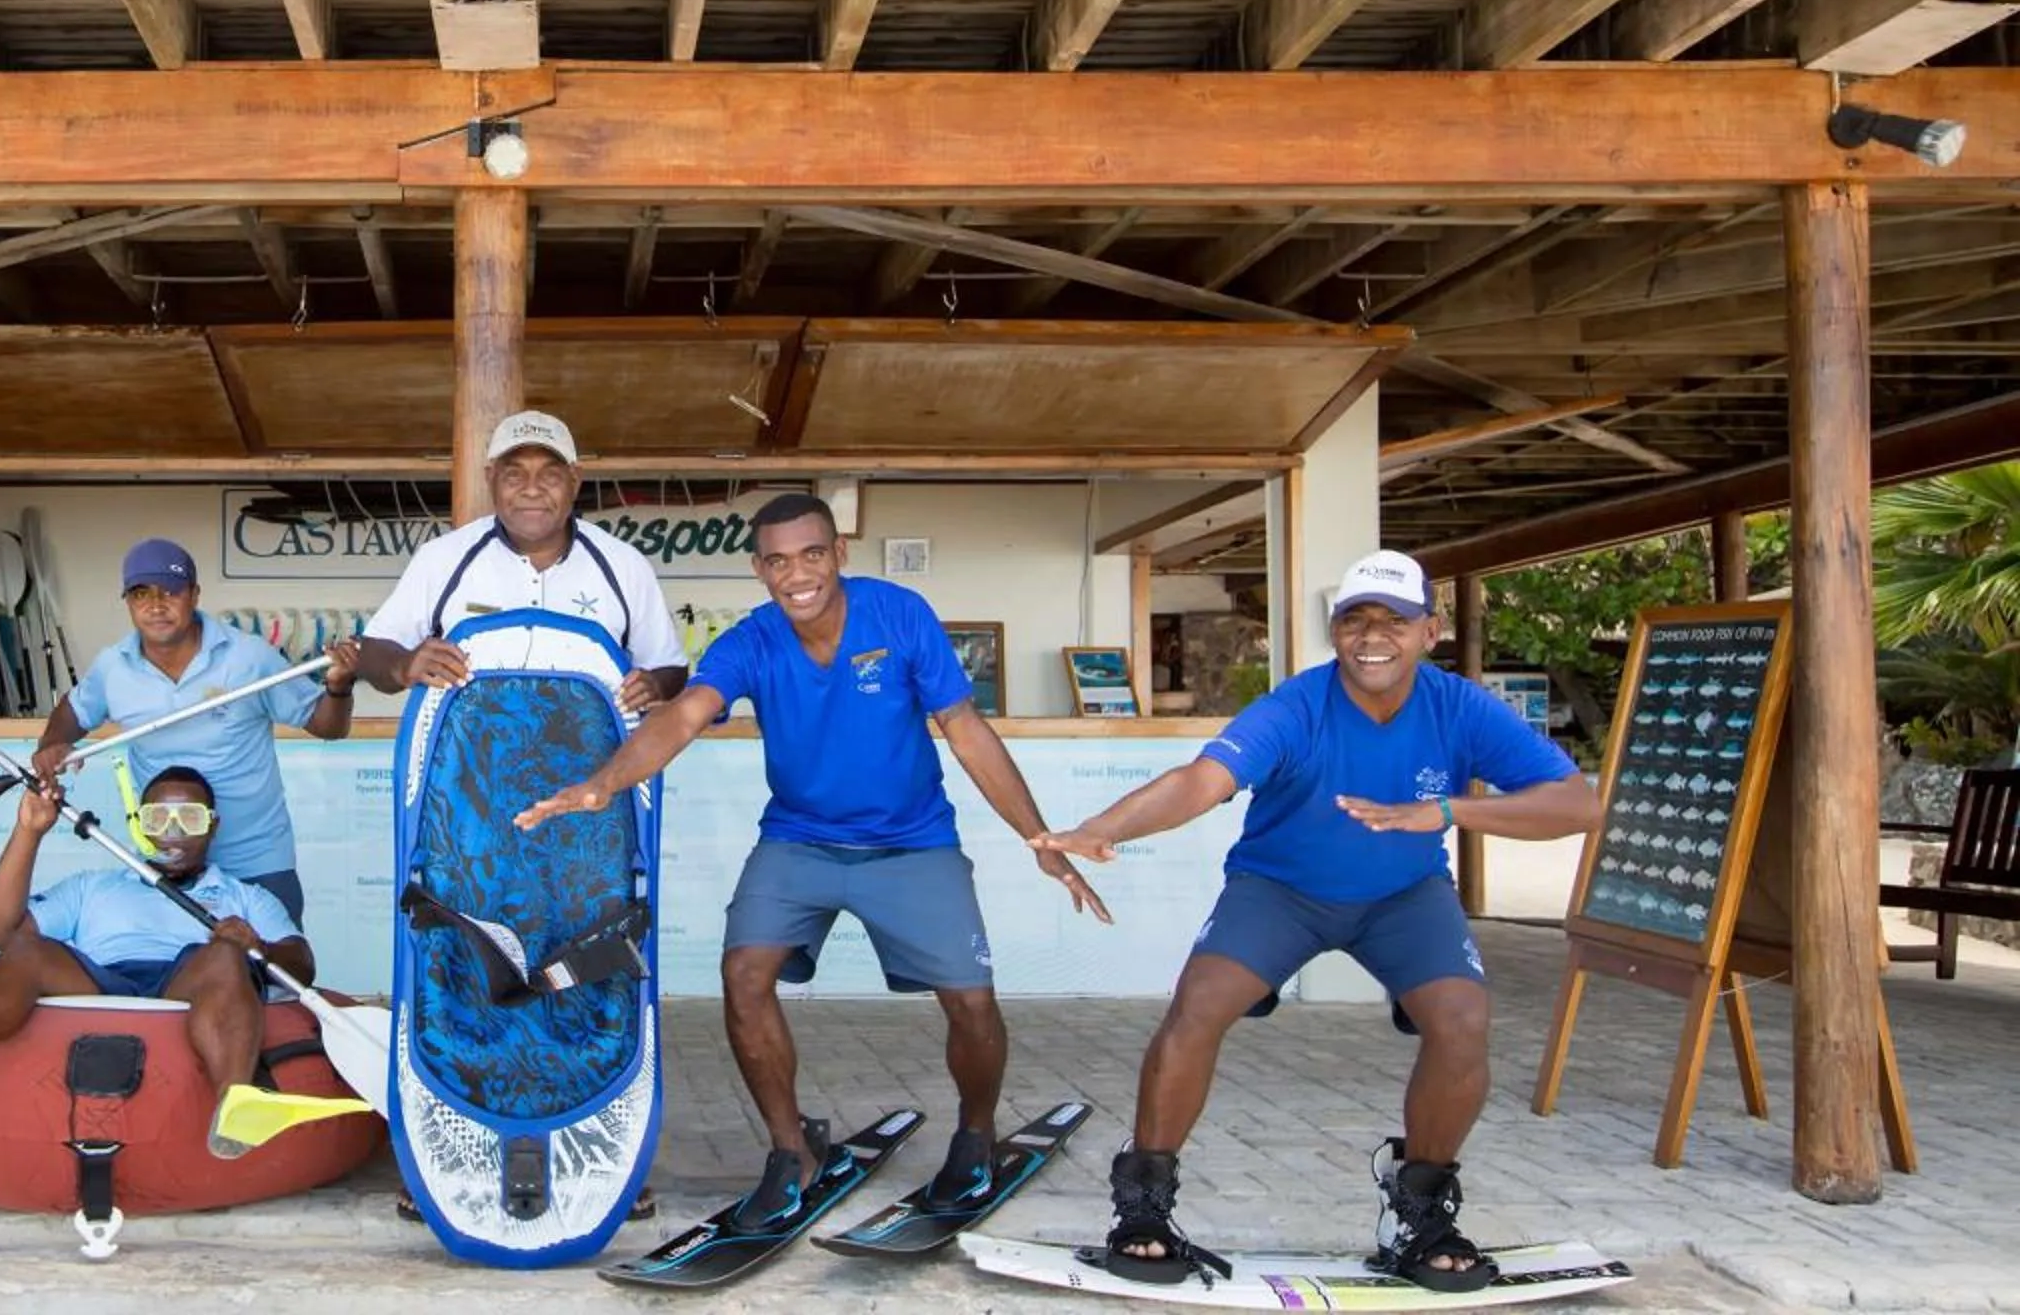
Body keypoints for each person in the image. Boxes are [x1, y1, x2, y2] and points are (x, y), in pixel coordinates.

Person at [516, 492, 1109, 1230]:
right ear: (759, 569)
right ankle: (790, 1148)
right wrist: (605, 782)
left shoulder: (898, 615)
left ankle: (977, 1133)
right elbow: (686, 714)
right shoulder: (751, 641)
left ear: (839, 555)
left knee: (971, 1000)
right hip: (799, 839)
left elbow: (965, 729)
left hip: (911, 842)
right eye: (778, 561)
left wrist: (1037, 837)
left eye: (812, 555)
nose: (796, 575)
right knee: (744, 975)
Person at [1026, 549, 1600, 1293]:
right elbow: (1202, 781)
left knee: (1462, 1020)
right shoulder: (1298, 705)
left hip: (1404, 895)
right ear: (1335, 632)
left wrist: (1445, 811)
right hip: (1280, 891)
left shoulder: (1460, 707)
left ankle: (1422, 1214)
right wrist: (1101, 828)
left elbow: (1576, 805)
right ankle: (1144, 1206)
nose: (1373, 636)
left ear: (1429, 632)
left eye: (1394, 621)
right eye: (1355, 620)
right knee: (1198, 1008)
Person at [0, 764, 313, 1140]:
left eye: (189, 818)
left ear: (212, 825)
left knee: (223, 955)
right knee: (26, 948)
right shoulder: (93, 887)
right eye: (157, 818)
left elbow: (302, 967)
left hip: (191, 983)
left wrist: (258, 946)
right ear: (138, 824)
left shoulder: (246, 897)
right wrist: (29, 831)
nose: (173, 831)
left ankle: (235, 1104)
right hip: (101, 981)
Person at [31, 538, 353, 924]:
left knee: (277, 962)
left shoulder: (248, 657)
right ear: (128, 602)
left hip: (257, 862)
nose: (155, 605)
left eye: (170, 591)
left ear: (195, 595)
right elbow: (72, 710)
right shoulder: (113, 666)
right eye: (141, 593)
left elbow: (328, 725)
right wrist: (53, 743)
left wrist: (339, 687)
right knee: (171, 963)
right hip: (166, 865)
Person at [337, 410, 688, 715]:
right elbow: (374, 651)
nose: (532, 490)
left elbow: (669, 667)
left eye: (550, 475)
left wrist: (655, 685)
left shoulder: (624, 565)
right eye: (514, 475)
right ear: (490, 477)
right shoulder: (441, 558)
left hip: (596, 766)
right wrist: (403, 665)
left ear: (574, 480)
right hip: (466, 766)